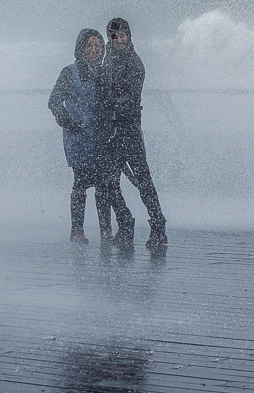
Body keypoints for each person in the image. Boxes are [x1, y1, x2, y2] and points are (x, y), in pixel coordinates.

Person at [49, 28, 134, 244]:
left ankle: (106, 231)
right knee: (80, 182)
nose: (94, 49)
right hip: (78, 137)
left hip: (102, 137)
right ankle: (77, 231)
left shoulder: (105, 72)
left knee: (104, 184)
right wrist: (67, 121)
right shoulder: (70, 72)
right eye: (89, 45)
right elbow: (54, 101)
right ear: (81, 48)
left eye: (97, 45)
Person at [101, 18, 168, 248]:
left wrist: (109, 108)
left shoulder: (134, 63)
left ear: (129, 36)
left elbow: (129, 98)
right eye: (115, 36)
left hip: (129, 129)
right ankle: (125, 222)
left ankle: (158, 226)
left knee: (142, 179)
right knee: (109, 182)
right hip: (112, 131)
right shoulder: (108, 59)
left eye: (123, 35)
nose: (119, 39)